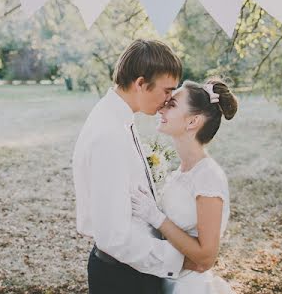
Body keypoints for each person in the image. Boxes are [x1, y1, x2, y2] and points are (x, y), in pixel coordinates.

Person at [72, 39, 205, 293]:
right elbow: (114, 237)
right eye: (167, 91)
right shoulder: (109, 134)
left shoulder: (118, 118)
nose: (168, 101)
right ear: (141, 84)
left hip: (135, 268)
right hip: (123, 277)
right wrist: (180, 259)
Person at [130, 79, 238, 294]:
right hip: (167, 279)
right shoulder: (182, 170)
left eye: (171, 105)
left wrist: (156, 217)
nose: (162, 107)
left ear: (192, 122)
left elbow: (206, 257)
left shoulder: (208, 177)